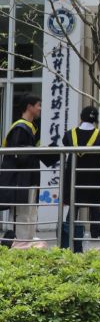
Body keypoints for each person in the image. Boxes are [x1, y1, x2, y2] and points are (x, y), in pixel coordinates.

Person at [60, 105, 100, 251]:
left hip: (74, 176)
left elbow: (65, 143)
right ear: (96, 120)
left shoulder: (70, 134)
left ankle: (69, 231)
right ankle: (96, 234)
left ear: (81, 117)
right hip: (92, 176)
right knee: (94, 206)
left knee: (74, 204)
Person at [3, 97, 49, 245]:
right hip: (21, 179)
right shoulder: (19, 128)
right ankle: (20, 245)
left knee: (31, 211)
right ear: (29, 107)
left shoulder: (31, 127)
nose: (40, 108)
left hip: (30, 177)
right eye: (38, 105)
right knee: (22, 213)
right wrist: (35, 151)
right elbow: (17, 154)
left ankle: (28, 243)